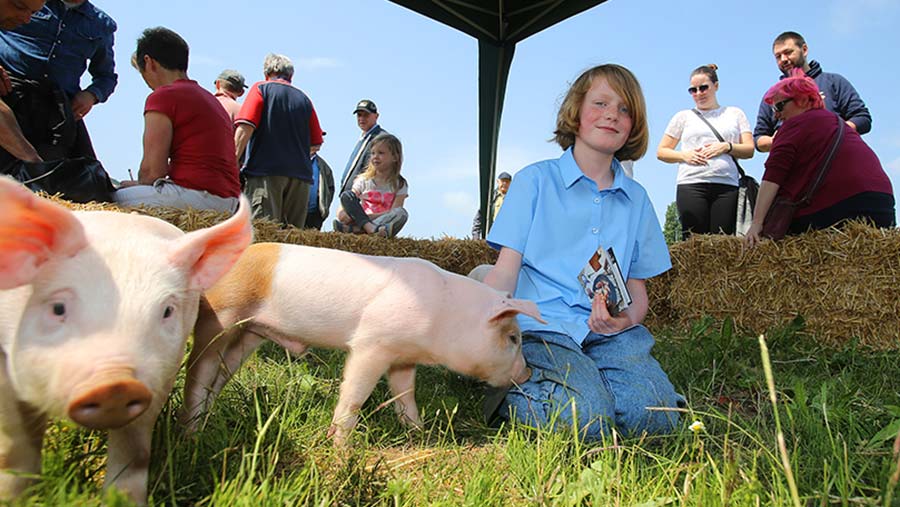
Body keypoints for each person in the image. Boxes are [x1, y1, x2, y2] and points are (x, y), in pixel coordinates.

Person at [484, 64, 683, 439]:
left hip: (611, 333)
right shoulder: (533, 181)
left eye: (625, 109)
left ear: (634, 125)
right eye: (601, 103)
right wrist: (474, 318)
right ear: (575, 113)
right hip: (542, 326)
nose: (612, 114)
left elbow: (637, 293)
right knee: (586, 421)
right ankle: (508, 393)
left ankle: (631, 397)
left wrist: (624, 322)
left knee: (654, 419)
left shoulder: (638, 200)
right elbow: (505, 272)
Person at [745, 71, 894, 247]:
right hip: (882, 202)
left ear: (802, 100)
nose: (776, 115)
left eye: (779, 107)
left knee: (786, 243)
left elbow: (773, 177)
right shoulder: (836, 122)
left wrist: (756, 224)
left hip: (841, 205)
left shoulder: (793, 125)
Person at [114, 27, 240, 212]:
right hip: (228, 201)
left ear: (149, 63)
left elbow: (152, 172)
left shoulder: (163, 96)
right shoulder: (210, 99)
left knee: (106, 200)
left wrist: (136, 185)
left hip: (195, 197)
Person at [0, 0, 117, 164]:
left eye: (32, 13)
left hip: (57, 113)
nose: (27, 17)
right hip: (9, 93)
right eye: (22, 9)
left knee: (70, 178)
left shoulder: (102, 24)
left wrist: (91, 95)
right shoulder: (29, 2)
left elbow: (106, 76)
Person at [656, 64, 754, 237]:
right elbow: (662, 151)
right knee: (694, 243)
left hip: (726, 185)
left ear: (716, 86)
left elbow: (749, 149)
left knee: (722, 243)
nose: (698, 93)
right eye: (693, 90)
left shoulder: (735, 113)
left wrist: (726, 146)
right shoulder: (683, 116)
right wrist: (684, 155)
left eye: (703, 88)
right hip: (691, 183)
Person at [234, 53, 324, 228]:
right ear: (291, 75)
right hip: (301, 178)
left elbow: (245, 128)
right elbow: (316, 142)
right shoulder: (304, 99)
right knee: (292, 241)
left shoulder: (261, 89)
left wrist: (231, 162)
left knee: (264, 237)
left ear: (267, 72)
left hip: (266, 174)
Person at [753, 31, 871, 153]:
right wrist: (777, 140)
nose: (783, 59)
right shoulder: (773, 96)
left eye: (788, 53)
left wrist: (833, 132)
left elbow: (862, 118)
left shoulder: (834, 82)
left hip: (836, 159)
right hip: (794, 166)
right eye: (778, 56)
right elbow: (758, 138)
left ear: (804, 50)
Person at [334, 133, 408, 238]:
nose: (375, 157)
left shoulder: (400, 184)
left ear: (395, 157)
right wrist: (359, 217)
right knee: (346, 195)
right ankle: (371, 229)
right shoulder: (363, 180)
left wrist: (365, 219)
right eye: (373, 153)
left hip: (376, 221)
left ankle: (358, 230)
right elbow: (345, 208)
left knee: (401, 213)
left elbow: (395, 211)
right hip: (364, 219)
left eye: (381, 153)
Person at [338, 99, 386, 195]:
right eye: (359, 115)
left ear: (376, 116)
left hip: (365, 198)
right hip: (352, 197)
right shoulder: (364, 138)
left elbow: (380, 170)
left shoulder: (381, 138)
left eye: (366, 115)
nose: (362, 118)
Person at [304, 141, 335, 230]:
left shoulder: (324, 166)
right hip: (294, 213)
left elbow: (330, 188)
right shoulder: (293, 159)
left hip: (314, 214)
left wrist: (324, 207)